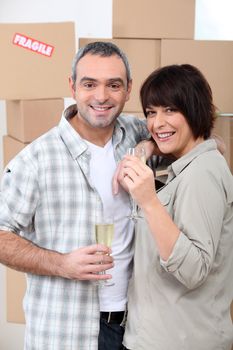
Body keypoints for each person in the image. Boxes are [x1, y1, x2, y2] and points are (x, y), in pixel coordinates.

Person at [0, 42, 153, 350]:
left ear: (128, 89)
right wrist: (61, 264)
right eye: (89, 84)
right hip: (66, 332)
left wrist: (151, 145)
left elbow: (205, 138)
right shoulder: (35, 160)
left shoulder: (135, 134)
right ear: (72, 86)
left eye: (113, 85)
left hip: (137, 326)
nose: (101, 96)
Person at [116, 64, 233, 350]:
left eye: (170, 110)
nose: (157, 123)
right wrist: (146, 148)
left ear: (194, 110)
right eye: (151, 113)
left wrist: (148, 201)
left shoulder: (202, 174)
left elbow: (193, 270)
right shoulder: (187, 164)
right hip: (156, 337)